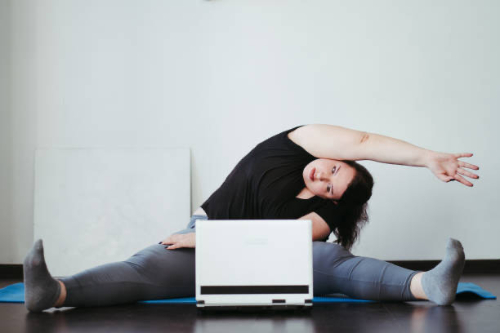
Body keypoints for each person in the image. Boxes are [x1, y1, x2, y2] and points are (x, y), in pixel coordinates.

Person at [23, 124, 479, 312]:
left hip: (257, 255)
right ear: (335, 156)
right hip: (207, 235)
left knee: (331, 262)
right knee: (147, 266)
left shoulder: (324, 212)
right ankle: (54, 290)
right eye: (333, 169)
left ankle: (426, 285)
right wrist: (424, 157)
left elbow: (276, 241)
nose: (324, 178)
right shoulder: (295, 142)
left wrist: (211, 244)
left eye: (330, 188)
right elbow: (360, 142)